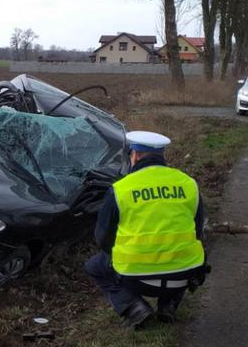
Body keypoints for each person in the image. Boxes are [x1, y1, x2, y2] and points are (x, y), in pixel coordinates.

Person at [85, 131, 207, 329]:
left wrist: (117, 254)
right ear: (162, 156)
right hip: (184, 276)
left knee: (95, 266)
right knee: (189, 251)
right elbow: (199, 231)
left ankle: (134, 308)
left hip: (136, 279)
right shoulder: (188, 183)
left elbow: (102, 238)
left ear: (135, 155)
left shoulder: (120, 189)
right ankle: (169, 304)